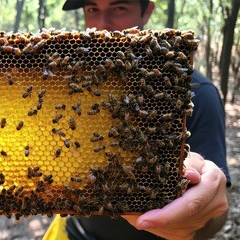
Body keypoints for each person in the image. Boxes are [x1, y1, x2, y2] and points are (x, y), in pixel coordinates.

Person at [43, 0, 231, 239]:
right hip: (74, 232)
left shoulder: (196, 92)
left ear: (147, 11)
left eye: (119, 8)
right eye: (92, 9)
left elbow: (215, 211)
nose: (102, 25)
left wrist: (199, 215)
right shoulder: (65, 84)